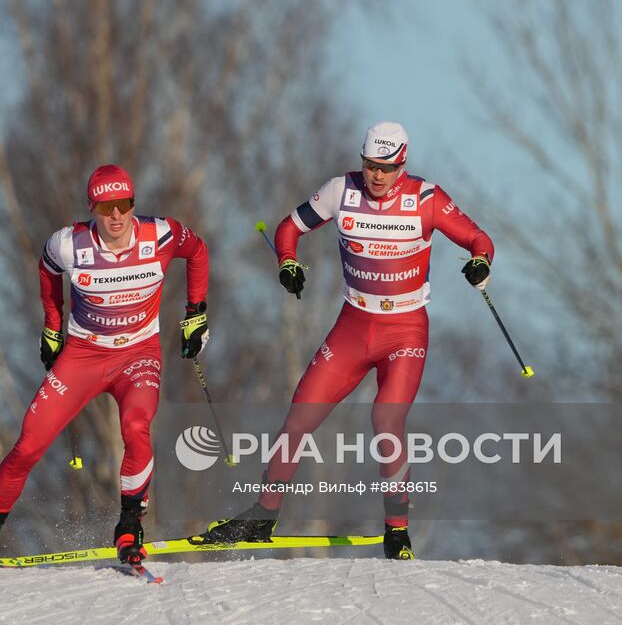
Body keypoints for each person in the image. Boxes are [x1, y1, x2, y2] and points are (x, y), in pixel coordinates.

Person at [200, 122, 494, 560]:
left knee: (386, 421)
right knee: (299, 419)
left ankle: (397, 531)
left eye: (387, 168)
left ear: (402, 165)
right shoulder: (341, 191)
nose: (377, 176)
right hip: (354, 327)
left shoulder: (427, 199)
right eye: (370, 165)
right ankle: (262, 515)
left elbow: (478, 238)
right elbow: (288, 228)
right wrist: (287, 263)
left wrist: (479, 262)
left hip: (405, 331)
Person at [0, 164, 210, 570]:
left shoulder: (161, 234)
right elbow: (47, 272)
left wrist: (196, 313)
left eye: (124, 204)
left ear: (133, 203)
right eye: (106, 206)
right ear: (92, 207)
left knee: (136, 427)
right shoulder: (69, 244)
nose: (116, 216)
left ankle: (130, 525)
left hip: (138, 355)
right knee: (27, 445)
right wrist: (52, 327)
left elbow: (198, 252)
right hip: (83, 356)